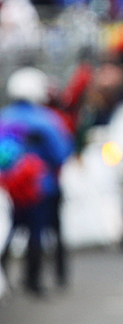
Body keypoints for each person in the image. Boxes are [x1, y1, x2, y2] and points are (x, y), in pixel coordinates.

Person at [0, 67, 74, 294]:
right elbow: (62, 152)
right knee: (40, 233)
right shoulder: (47, 119)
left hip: (9, 189)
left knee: (8, 232)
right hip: (41, 188)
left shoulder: (4, 117)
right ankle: (34, 280)